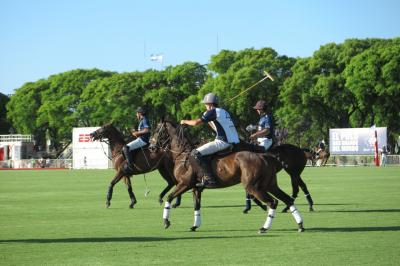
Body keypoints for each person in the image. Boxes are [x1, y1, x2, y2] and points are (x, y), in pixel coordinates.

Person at [180, 93, 240, 189]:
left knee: (195, 153)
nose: (205, 106)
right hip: (234, 141)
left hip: (222, 141)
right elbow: (214, 127)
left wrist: (184, 121)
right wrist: (207, 117)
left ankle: (210, 179)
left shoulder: (213, 112)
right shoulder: (223, 111)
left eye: (206, 104)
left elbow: (195, 123)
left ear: (210, 104)